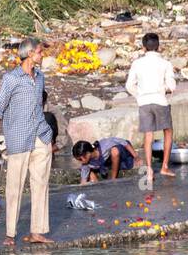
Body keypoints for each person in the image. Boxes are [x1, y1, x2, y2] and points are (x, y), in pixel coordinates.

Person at [0, 38, 55, 247]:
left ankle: (37, 231)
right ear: (29, 54)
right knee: (14, 186)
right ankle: (10, 234)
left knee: (40, 184)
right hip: (18, 137)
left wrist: (49, 137)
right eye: (39, 52)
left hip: (41, 135)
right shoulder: (11, 79)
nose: (42, 55)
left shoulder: (40, 77)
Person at [125, 32, 178, 179]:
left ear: (143, 48)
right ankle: (164, 167)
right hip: (160, 101)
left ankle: (149, 170)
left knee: (148, 135)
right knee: (168, 132)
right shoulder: (165, 63)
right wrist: (164, 90)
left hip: (144, 102)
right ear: (158, 47)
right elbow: (172, 86)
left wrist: (140, 94)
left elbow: (129, 85)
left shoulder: (137, 64)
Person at [73, 138, 138, 184]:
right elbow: (83, 182)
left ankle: (113, 179)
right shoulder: (86, 164)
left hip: (123, 154)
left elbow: (124, 142)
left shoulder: (105, 145)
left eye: (80, 159)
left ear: (87, 153)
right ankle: (99, 191)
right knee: (90, 173)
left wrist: (136, 156)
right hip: (107, 162)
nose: (80, 162)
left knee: (114, 151)